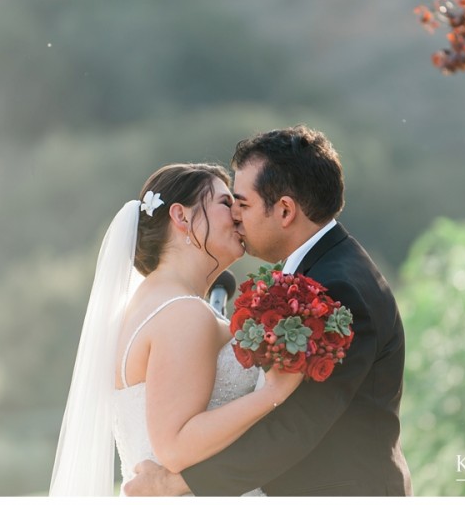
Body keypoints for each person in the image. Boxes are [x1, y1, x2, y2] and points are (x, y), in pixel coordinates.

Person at [124, 125, 413, 496]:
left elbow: (298, 425)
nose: (236, 217)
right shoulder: (319, 272)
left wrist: (176, 485)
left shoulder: (337, 287)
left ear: (285, 210)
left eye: (241, 204)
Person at [49, 163, 303, 496]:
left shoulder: (145, 305)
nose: (239, 216)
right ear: (181, 217)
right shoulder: (183, 312)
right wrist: (274, 392)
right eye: (226, 204)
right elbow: (175, 446)